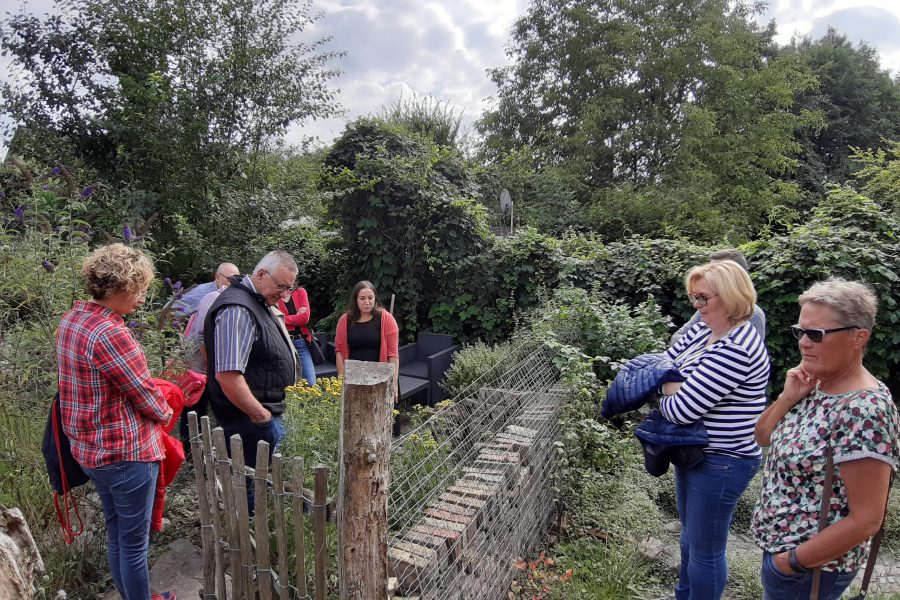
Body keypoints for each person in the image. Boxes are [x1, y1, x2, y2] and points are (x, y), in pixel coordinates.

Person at [752, 278, 899, 600]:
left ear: (859, 337)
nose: (804, 342)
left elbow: (866, 519)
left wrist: (789, 563)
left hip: (811, 569)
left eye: (816, 334)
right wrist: (788, 399)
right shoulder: (816, 384)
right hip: (785, 553)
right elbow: (763, 436)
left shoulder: (864, 410)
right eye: (800, 331)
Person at [56, 243, 175, 600]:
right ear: (120, 287)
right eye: (138, 291)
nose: (141, 299)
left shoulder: (72, 321)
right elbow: (144, 394)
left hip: (91, 451)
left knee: (117, 534)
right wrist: (168, 412)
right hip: (126, 452)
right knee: (135, 543)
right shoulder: (111, 334)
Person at [659, 260, 771, 599]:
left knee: (705, 550)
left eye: (704, 298)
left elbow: (680, 410)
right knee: (689, 539)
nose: (696, 306)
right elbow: (662, 363)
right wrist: (668, 382)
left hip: (723, 460)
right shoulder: (704, 330)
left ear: (732, 297)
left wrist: (664, 389)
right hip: (694, 452)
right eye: (694, 297)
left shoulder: (737, 347)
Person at [203, 251, 298, 506]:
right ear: (261, 274)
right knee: (251, 489)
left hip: (261, 414)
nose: (284, 295)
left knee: (261, 482)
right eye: (281, 287)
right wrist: (262, 417)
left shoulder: (256, 301)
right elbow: (228, 375)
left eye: (289, 289)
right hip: (250, 420)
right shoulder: (237, 308)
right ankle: (253, 537)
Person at [178, 262, 240, 453]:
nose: (231, 282)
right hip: (198, 367)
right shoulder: (208, 296)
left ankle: (217, 452)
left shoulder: (230, 296)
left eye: (236, 278)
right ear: (217, 277)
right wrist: (212, 369)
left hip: (214, 366)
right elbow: (202, 338)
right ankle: (191, 456)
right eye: (228, 278)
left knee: (217, 410)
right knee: (194, 410)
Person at [670, 249, 766, 346]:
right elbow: (676, 338)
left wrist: (697, 343)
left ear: (736, 278)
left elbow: (734, 353)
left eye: (716, 272)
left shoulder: (753, 316)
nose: (696, 304)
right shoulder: (706, 305)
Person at [334, 280, 400, 402]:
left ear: (375, 298)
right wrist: (341, 380)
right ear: (356, 300)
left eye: (370, 298)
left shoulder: (386, 319)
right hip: (354, 379)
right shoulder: (344, 321)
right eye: (362, 298)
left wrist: (394, 382)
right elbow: (339, 351)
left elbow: (393, 354)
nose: (367, 302)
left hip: (381, 379)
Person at [277, 285, 316, 386]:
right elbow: (273, 320)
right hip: (282, 344)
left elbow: (305, 318)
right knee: (288, 385)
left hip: (300, 343)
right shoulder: (275, 294)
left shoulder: (300, 292)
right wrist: (296, 316)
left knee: (311, 384)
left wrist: (283, 319)